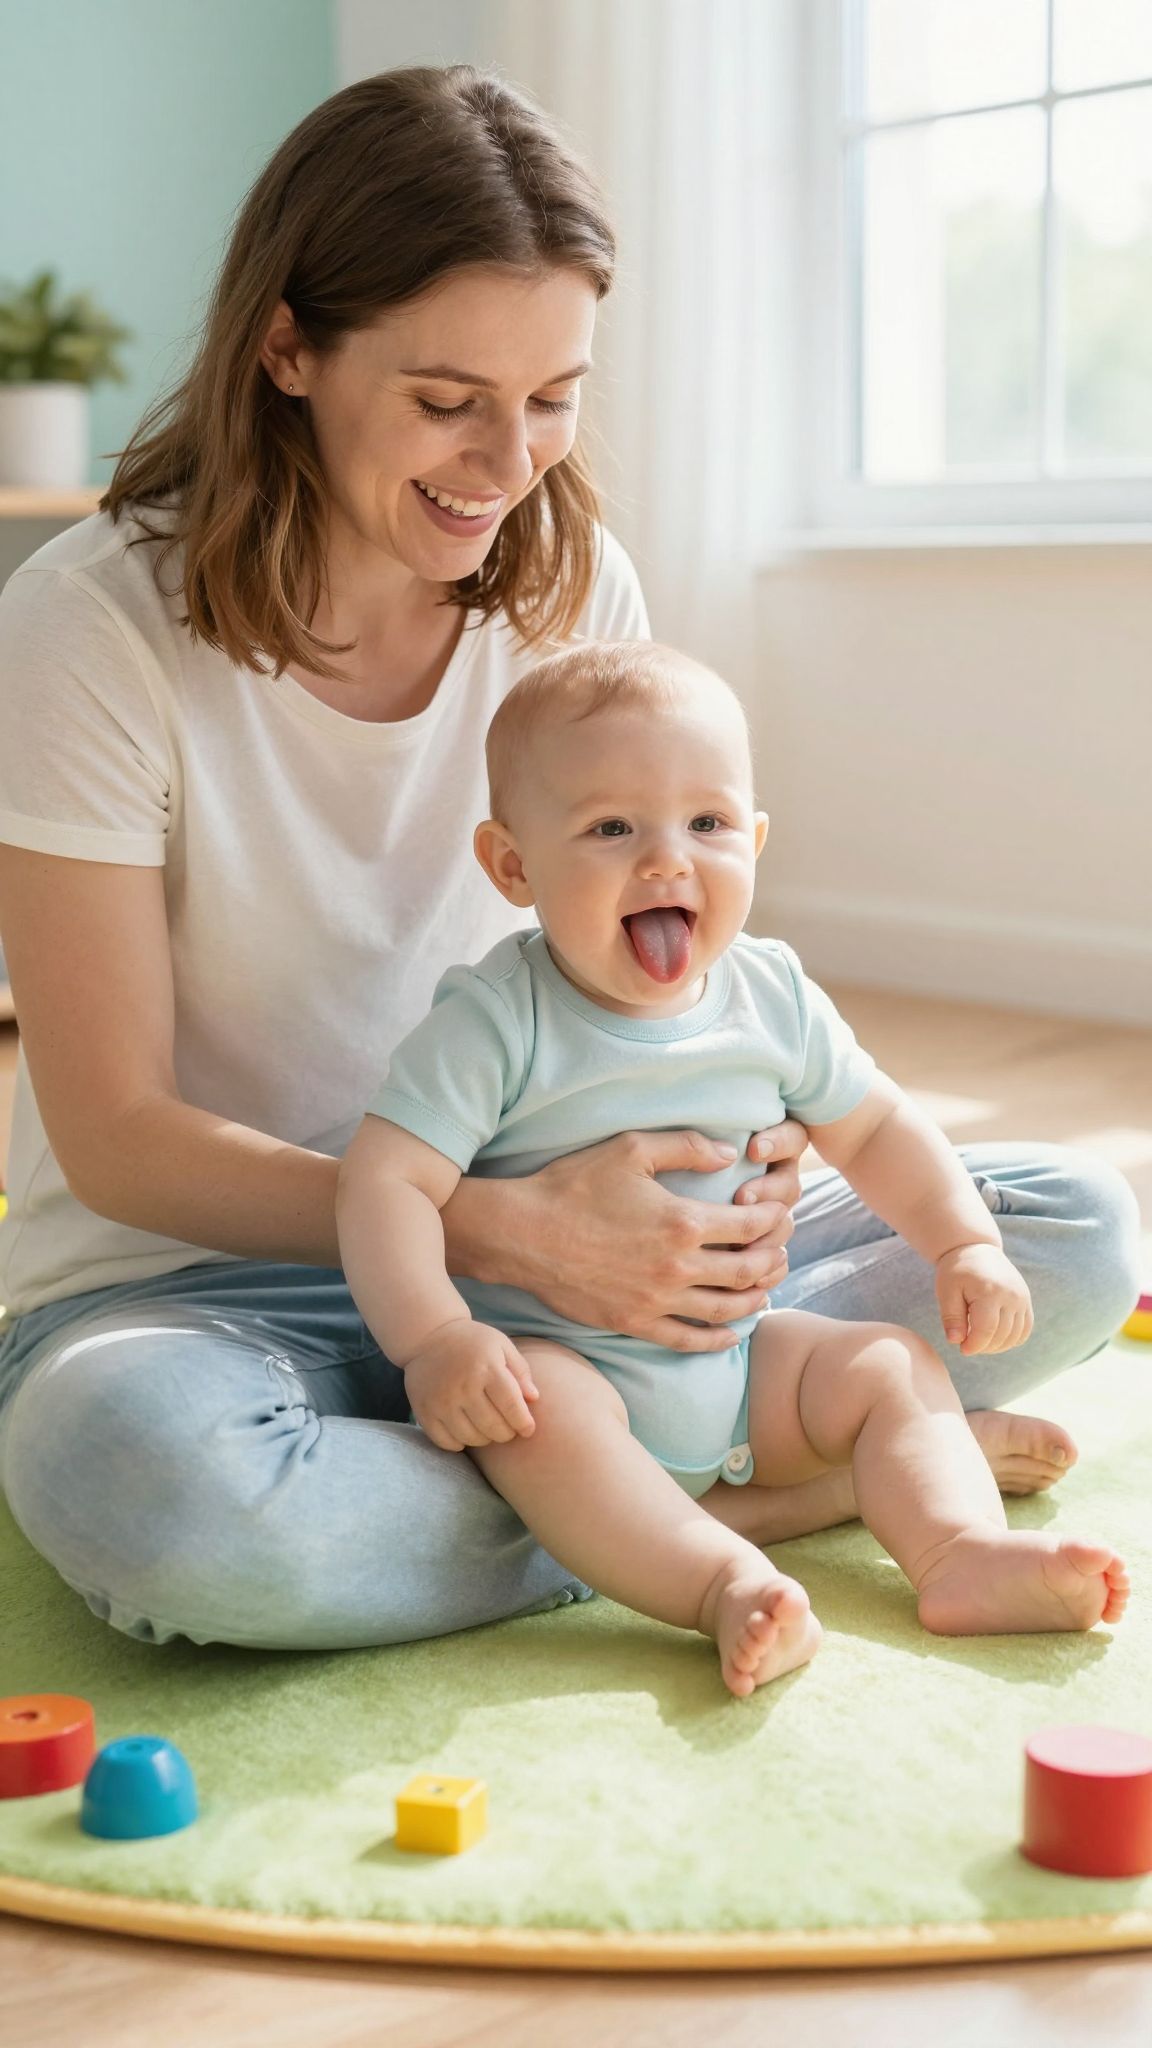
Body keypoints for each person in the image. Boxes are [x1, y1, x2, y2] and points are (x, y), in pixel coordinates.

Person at [0, 70, 1140, 1655]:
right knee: (143, 1483)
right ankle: (745, 1505)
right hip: (206, 1292)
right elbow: (118, 1140)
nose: (506, 459)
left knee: (1071, 1228)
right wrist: (486, 1230)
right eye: (448, 397)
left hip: (568, 1299)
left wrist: (714, 1188)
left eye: (553, 396)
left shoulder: (565, 586)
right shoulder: (86, 630)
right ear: (288, 350)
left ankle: (597, 1496)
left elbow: (648, 942)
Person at [335, 642, 1129, 1695]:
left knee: (889, 1362)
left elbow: (877, 1125)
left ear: (753, 840)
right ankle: (721, 1582)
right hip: (573, 1374)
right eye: (612, 827)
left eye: (707, 824)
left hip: (746, 1363)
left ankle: (958, 1554)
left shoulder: (772, 992)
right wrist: (436, 1339)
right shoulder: (497, 1019)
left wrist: (963, 1241)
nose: (669, 860)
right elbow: (384, 1181)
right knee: (546, 1420)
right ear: (513, 864)